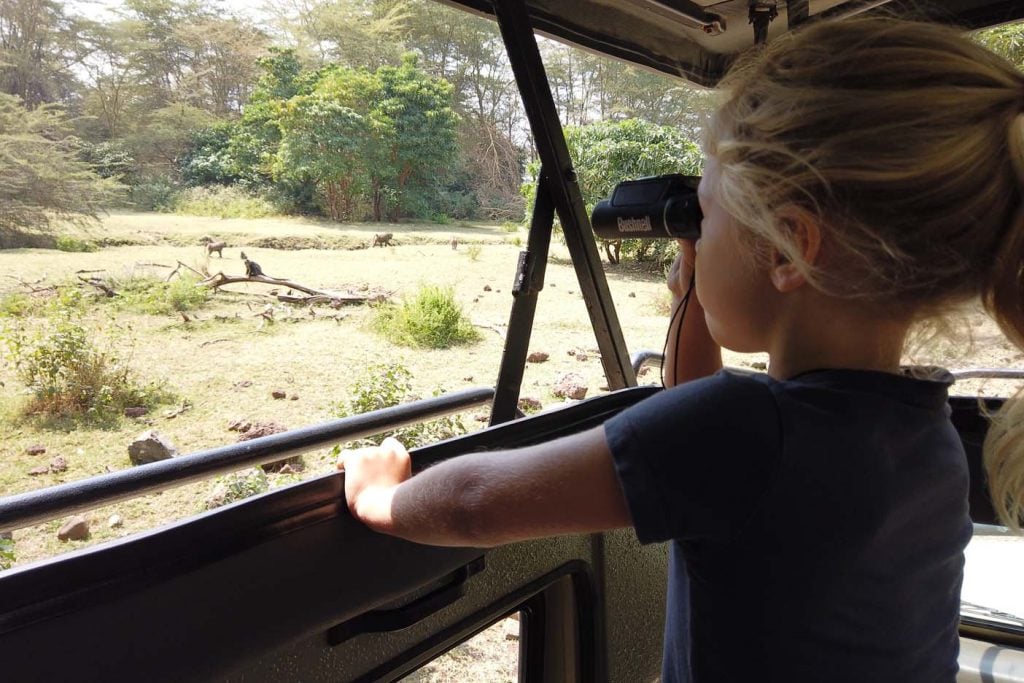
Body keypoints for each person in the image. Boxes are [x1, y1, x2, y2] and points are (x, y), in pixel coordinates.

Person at [338, 16, 1024, 683]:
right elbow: (702, 421)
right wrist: (694, 288)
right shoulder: (924, 433)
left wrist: (382, 499)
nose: (699, 228)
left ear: (790, 246)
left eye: (708, 208)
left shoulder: (747, 431)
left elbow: (474, 501)